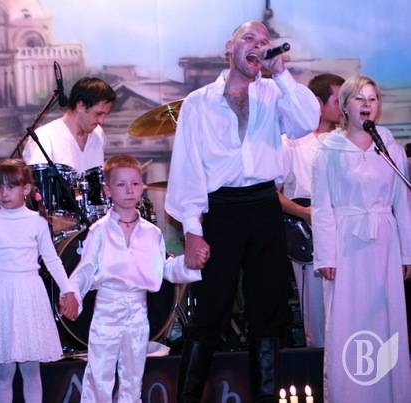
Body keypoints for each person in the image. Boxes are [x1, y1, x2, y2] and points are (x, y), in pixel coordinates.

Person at [165, 21, 320, 402]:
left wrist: (280, 73)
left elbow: (307, 123)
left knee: (267, 314)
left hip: (264, 205)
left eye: (265, 42)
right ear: (229, 47)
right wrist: (192, 228)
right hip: (220, 209)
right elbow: (187, 167)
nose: (258, 46)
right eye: (249, 39)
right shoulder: (199, 102)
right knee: (209, 313)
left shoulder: (275, 93)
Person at [69, 155, 203, 402]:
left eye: (135, 183)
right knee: (99, 377)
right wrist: (72, 293)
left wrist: (191, 264)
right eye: (121, 184)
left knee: (132, 379)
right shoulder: (99, 230)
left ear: (142, 187)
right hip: (107, 309)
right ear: (108, 190)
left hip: (138, 312)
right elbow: (86, 269)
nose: (129, 190)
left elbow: (163, 269)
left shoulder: (152, 233)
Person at [312, 76, 411, 403]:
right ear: (345, 106)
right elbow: (322, 206)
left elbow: (402, 203)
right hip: (346, 247)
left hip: (385, 245)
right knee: (348, 323)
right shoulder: (329, 150)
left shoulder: (389, 147)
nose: (367, 105)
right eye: (359, 99)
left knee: (386, 319)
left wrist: (406, 253)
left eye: (372, 99)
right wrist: (326, 256)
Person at [0, 159, 78, 403]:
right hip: (0, 295)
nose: (3, 193)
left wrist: (67, 290)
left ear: (26, 189)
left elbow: (51, 259)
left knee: (31, 370)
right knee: (4, 371)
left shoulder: (37, 222)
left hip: (29, 295)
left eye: (10, 187)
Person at [277, 73, 345, 348]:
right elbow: (272, 194)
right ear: (318, 102)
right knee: (316, 313)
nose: (344, 106)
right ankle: (318, 366)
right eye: (338, 100)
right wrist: (305, 214)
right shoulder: (290, 141)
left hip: (346, 233)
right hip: (307, 235)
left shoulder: (347, 141)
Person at [22, 77, 116, 173]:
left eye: (105, 115)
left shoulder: (98, 133)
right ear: (81, 106)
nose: (101, 121)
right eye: (98, 114)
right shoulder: (44, 137)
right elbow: (36, 180)